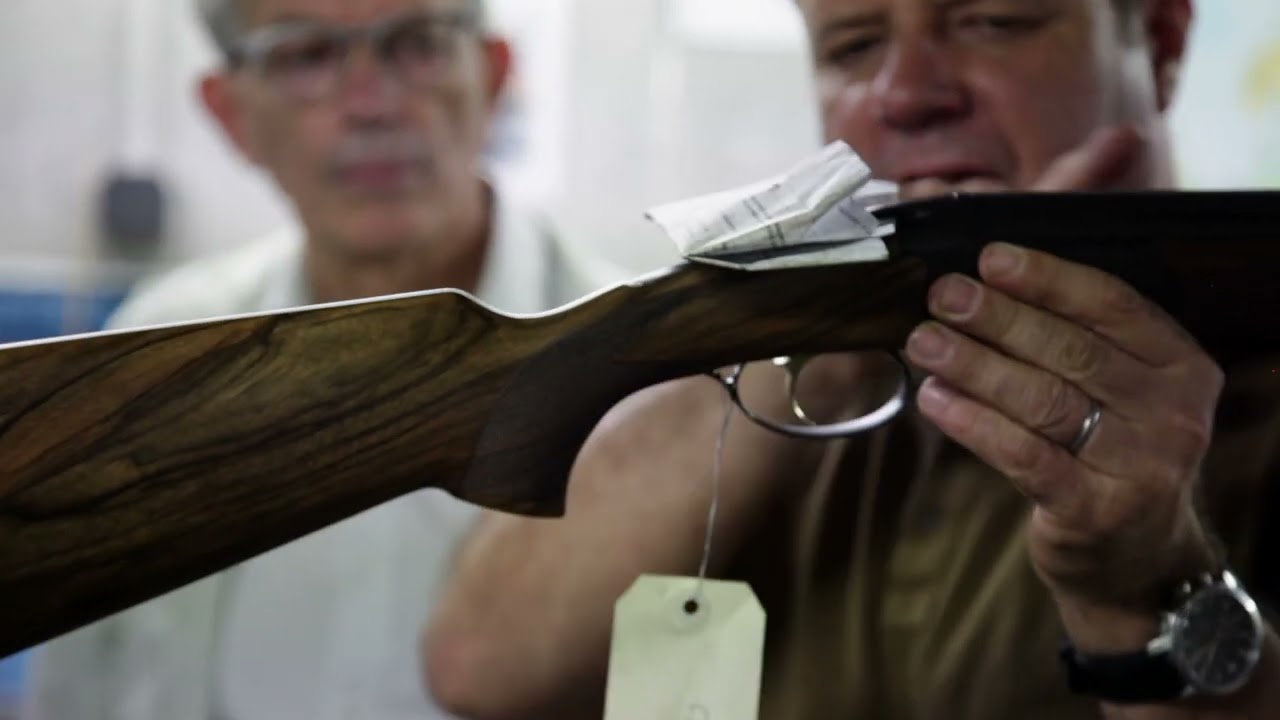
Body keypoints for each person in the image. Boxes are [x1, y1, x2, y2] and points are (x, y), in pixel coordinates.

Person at [423, 1, 1280, 718]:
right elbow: (473, 663)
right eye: (854, 44)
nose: (904, 94)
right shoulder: (788, 383)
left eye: (992, 20)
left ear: (1163, 43)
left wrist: (1144, 589)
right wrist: (818, 337)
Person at [22, 0, 622, 719]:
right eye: (304, 55)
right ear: (231, 114)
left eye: (416, 44)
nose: (372, 104)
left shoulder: (647, 381)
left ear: (493, 76)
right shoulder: (150, 362)